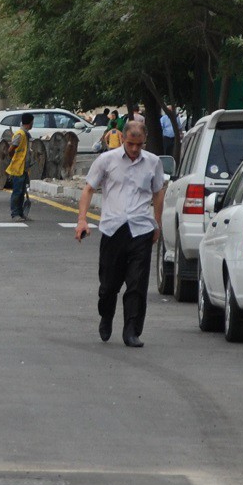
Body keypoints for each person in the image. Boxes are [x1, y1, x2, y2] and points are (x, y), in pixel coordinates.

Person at [73, 118, 167, 347]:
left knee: (137, 284)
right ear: (123, 139)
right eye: (131, 144)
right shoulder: (107, 160)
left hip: (141, 229)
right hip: (113, 229)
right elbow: (88, 189)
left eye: (139, 145)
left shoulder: (153, 163)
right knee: (108, 286)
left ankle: (131, 331)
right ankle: (106, 316)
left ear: (145, 142)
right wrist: (82, 220)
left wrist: (157, 224)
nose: (135, 149)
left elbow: (158, 193)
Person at [4, 113, 34, 220]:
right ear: (30, 122)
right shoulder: (20, 134)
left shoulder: (25, 134)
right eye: (32, 122)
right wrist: (14, 159)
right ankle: (15, 214)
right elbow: (11, 149)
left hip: (24, 168)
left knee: (22, 192)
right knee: (17, 192)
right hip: (18, 168)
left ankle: (21, 213)